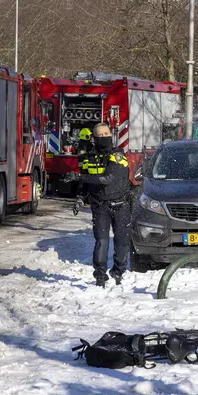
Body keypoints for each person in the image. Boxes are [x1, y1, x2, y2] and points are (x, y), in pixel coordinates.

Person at [63, 123, 130, 287]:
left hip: (120, 205)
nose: (103, 137)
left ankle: (118, 271)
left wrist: (78, 177)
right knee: (102, 241)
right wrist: (80, 197)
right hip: (100, 205)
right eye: (100, 135)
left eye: (106, 133)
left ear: (111, 135)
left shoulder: (118, 155)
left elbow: (107, 179)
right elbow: (86, 182)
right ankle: (100, 276)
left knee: (122, 242)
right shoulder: (88, 158)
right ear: (94, 138)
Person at [73, 128, 94, 216]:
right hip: (87, 167)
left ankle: (83, 197)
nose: (90, 137)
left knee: (83, 182)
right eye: (89, 135)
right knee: (85, 182)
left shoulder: (81, 144)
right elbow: (86, 156)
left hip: (84, 167)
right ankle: (84, 197)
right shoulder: (85, 145)